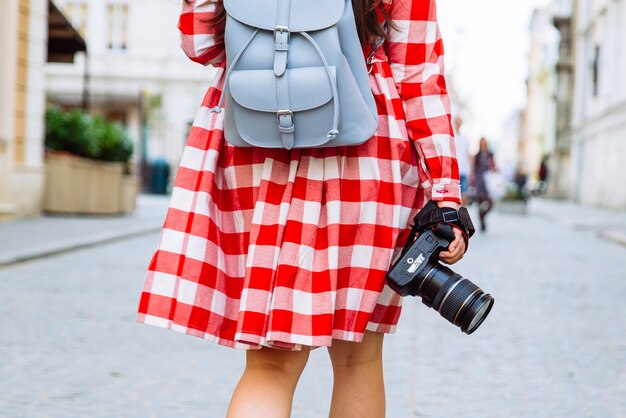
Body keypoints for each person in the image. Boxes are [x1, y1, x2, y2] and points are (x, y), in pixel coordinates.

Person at [136, 1, 466, 417]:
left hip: (261, 143)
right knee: (358, 357)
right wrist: (445, 194)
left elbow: (201, 43)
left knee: (271, 362)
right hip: (363, 149)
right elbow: (418, 76)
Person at [472, 137, 496, 232]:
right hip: (479, 183)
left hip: (488, 182)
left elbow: (494, 166)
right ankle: (482, 222)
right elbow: (474, 169)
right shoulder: (477, 156)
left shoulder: (490, 154)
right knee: (480, 203)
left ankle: (483, 216)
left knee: (490, 203)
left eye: (484, 143)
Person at [453, 117, 472, 206]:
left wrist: (471, 169)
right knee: (455, 194)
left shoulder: (465, 138)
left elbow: (468, 154)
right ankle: (456, 213)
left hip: (464, 169)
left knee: (465, 194)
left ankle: (461, 212)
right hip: (454, 169)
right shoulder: (452, 136)